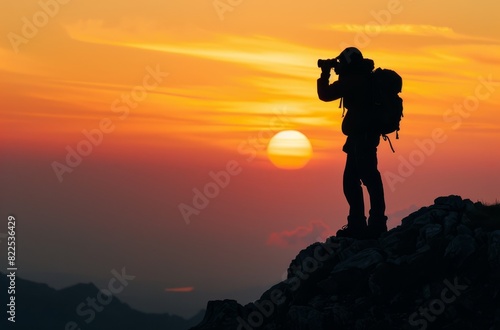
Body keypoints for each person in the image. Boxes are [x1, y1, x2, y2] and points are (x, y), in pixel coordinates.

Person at [317, 47, 388, 239]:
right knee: (364, 179)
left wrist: (325, 73)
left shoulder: (353, 80)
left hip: (361, 138)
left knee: (359, 180)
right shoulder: (364, 77)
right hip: (362, 137)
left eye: (341, 63)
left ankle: (368, 225)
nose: (339, 67)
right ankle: (370, 223)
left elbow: (325, 95)